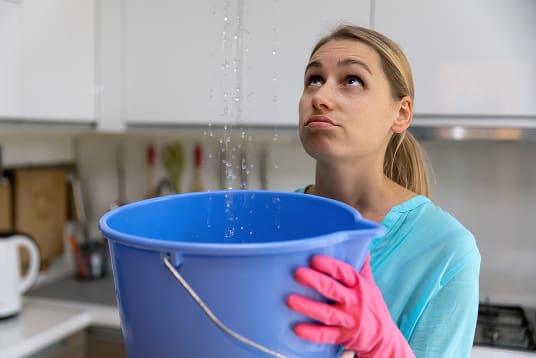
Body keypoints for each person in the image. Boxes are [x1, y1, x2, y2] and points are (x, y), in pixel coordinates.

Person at [285, 25, 481, 358]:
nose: (320, 97)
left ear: (401, 113)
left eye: (352, 80)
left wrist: (383, 346)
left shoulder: (447, 250)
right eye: (314, 79)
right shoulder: (274, 221)